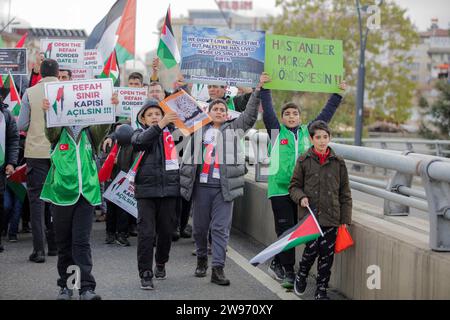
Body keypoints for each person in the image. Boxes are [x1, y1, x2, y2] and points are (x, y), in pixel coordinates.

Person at [261, 72, 347, 289]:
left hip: (301, 191)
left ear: (300, 117)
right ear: (282, 118)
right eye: (287, 114)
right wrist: (265, 88)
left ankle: (279, 262)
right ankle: (289, 272)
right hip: (280, 190)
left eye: (295, 114)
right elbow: (268, 110)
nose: (291, 117)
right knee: (287, 231)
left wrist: (337, 94)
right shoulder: (275, 132)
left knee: (301, 232)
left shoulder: (309, 133)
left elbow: (325, 116)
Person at [179, 75, 264, 286]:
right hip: (201, 186)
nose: (219, 112)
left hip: (223, 187)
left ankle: (218, 268)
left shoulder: (234, 130)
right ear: (208, 113)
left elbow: (250, 115)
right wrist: (182, 85)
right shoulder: (198, 129)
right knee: (199, 228)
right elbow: (185, 106)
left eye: (222, 110)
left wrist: (258, 90)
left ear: (227, 115)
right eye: (215, 109)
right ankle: (201, 258)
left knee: (220, 228)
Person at [40, 90, 118, 300]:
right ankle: (66, 287)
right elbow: (50, 131)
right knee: (64, 242)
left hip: (86, 194)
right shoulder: (58, 131)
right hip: (62, 194)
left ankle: (86, 288)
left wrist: (110, 106)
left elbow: (104, 125)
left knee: (81, 242)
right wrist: (48, 111)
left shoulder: (90, 131)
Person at [289, 120, 352, 300]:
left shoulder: (338, 163)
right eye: (318, 137)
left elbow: (345, 193)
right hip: (310, 218)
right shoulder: (303, 160)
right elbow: (293, 187)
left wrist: (345, 220)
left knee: (327, 256)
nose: (322, 141)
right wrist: (301, 197)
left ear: (329, 138)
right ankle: (302, 274)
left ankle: (321, 290)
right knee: (311, 250)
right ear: (311, 139)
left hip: (332, 218)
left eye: (325, 137)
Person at [131, 99, 180, 290]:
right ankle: (145, 273)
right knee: (146, 234)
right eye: (150, 115)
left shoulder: (174, 134)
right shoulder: (139, 133)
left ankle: (161, 262)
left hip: (169, 191)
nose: (154, 117)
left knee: (167, 232)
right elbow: (139, 143)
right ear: (143, 119)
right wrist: (160, 125)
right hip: (146, 192)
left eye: (158, 114)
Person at [18, 59, 59, 263]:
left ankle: (38, 250)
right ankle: (54, 246)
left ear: (40, 73)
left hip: (36, 152)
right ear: (58, 73)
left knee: (36, 201)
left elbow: (22, 123)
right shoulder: (65, 89)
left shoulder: (30, 92)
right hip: (60, 153)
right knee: (56, 199)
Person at [0, 91, 20, 252]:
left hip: (1, 167)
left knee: (3, 204)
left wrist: (11, 162)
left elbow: (14, 140)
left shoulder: (6, 116)